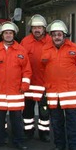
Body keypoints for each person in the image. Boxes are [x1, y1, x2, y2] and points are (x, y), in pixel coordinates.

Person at [40, 20, 76, 150]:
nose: (57, 37)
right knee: (56, 121)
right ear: (51, 36)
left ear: (64, 35)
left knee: (72, 122)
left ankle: (74, 147)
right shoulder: (46, 49)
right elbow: (43, 67)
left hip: (69, 92)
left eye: (59, 34)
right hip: (53, 92)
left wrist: (72, 77)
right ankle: (59, 145)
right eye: (54, 35)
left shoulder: (74, 48)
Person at [0, 22, 32, 150]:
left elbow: (27, 71)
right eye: (6, 33)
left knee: (16, 119)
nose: (8, 35)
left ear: (14, 35)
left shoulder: (21, 50)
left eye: (10, 33)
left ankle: (19, 141)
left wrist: (24, 85)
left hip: (16, 91)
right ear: (2, 35)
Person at [20, 14, 52, 142]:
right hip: (29, 83)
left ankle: (44, 133)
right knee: (27, 110)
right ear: (31, 29)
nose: (37, 30)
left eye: (39, 27)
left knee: (44, 111)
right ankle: (28, 131)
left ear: (44, 29)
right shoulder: (25, 42)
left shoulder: (51, 41)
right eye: (34, 27)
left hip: (45, 83)